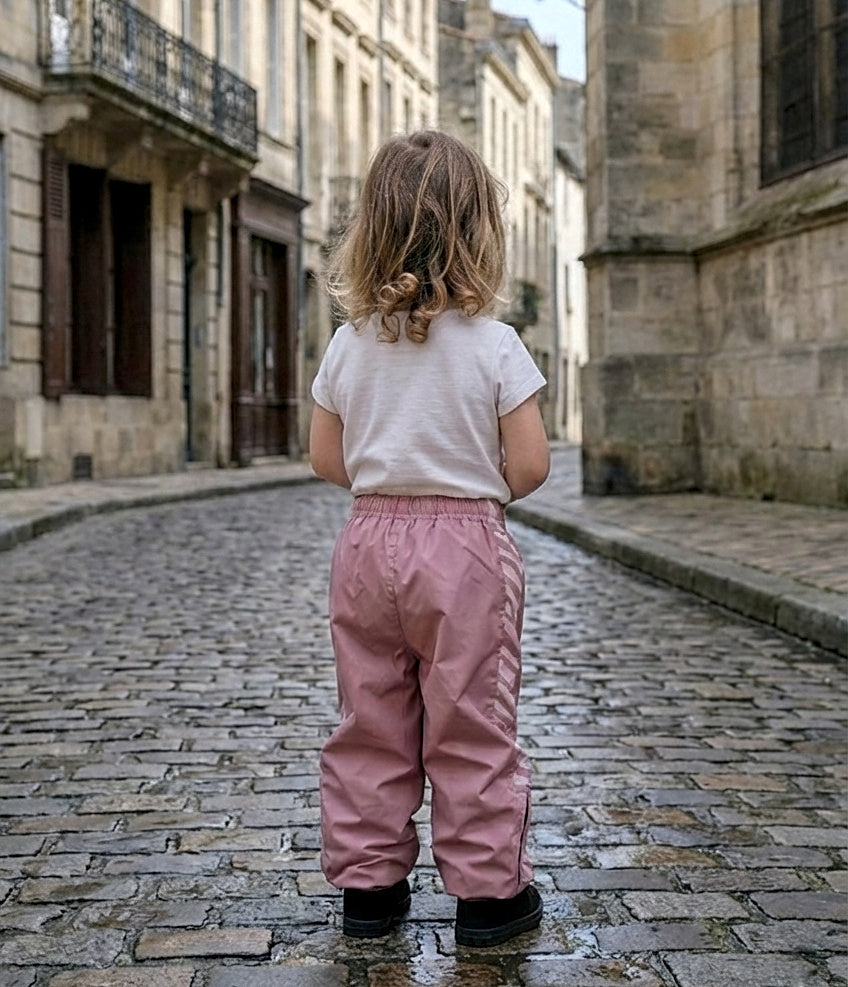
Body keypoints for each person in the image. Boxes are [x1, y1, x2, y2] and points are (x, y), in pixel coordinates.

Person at [309, 130, 550, 948]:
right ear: (478, 230)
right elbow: (531, 464)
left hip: (368, 542)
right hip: (467, 548)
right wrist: (469, 491)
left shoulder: (349, 342)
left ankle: (370, 892)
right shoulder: (494, 344)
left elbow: (323, 456)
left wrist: (391, 485)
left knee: (369, 714)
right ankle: (488, 897)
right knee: (472, 716)